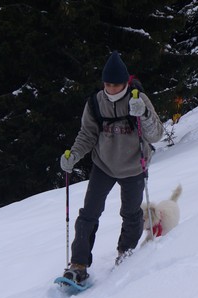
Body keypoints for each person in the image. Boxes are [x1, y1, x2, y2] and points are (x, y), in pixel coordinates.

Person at [60, 50, 164, 284]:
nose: (112, 89)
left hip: (134, 166)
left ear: (125, 83)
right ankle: (78, 265)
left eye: (116, 84)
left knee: (130, 213)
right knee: (89, 214)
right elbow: (87, 134)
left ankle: (125, 253)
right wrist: (73, 155)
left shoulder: (138, 99)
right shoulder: (95, 103)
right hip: (104, 165)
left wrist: (144, 114)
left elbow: (156, 135)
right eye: (107, 84)